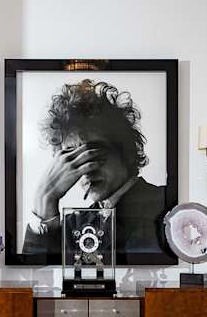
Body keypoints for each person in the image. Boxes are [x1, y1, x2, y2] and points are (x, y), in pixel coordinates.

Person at [22, 79, 167, 256]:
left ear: (127, 152)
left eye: (94, 152)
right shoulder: (72, 225)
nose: (85, 169)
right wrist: (44, 201)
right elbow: (33, 277)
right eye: (72, 159)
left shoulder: (168, 205)